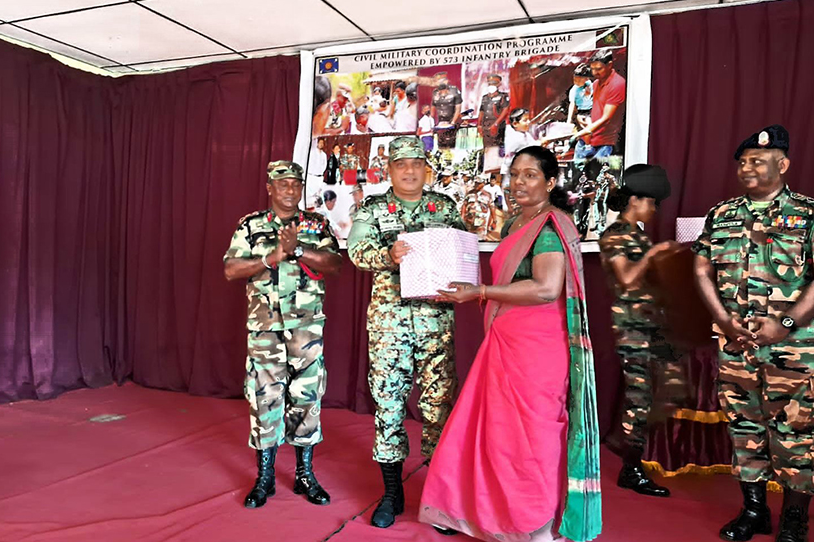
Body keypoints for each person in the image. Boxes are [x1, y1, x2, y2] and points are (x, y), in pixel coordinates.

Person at [419, 145, 601, 542]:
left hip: (538, 348)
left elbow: (545, 289)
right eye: (514, 174)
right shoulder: (515, 222)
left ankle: (533, 525)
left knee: (531, 436)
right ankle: (491, 515)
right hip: (506, 338)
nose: (518, 182)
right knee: (496, 432)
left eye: (530, 175)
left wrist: (480, 291)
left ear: (551, 182)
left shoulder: (550, 228)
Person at [693, 125, 814, 542]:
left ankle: (795, 519)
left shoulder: (808, 214)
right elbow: (701, 268)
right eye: (742, 162)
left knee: (796, 433)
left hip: (793, 350)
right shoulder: (721, 214)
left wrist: (785, 325)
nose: (746, 168)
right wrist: (723, 321)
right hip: (736, 344)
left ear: (782, 165)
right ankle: (754, 510)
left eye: (757, 161)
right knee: (744, 428)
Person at [347, 136, 465, 529]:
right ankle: (392, 493)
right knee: (389, 405)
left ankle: (438, 495)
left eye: (416, 163)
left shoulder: (445, 207)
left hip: (436, 324)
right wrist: (387, 255)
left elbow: (464, 250)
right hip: (390, 324)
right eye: (402, 165)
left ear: (425, 167)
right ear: (390, 170)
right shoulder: (374, 208)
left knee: (439, 408)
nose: (410, 170)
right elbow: (356, 250)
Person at [223, 161, 342, 509]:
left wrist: (300, 250)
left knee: (307, 397)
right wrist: (274, 256)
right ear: (270, 188)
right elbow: (231, 268)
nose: (290, 190)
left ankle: (305, 474)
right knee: (265, 398)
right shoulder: (251, 226)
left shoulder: (316, 224)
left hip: (306, 328)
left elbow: (334, 265)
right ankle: (265, 476)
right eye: (283, 184)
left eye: (295, 184)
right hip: (266, 329)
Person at [599, 164, 681, 498]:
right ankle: (631, 470)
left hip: (650, 327)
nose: (655, 209)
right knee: (639, 400)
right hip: (633, 331)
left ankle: (628, 449)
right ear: (635, 200)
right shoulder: (616, 234)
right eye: (652, 203)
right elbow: (628, 279)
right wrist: (654, 254)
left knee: (652, 397)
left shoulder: (637, 234)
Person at [569, 50, 626, 161]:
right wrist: (581, 118)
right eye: (593, 69)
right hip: (589, 139)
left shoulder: (617, 84)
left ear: (609, 65)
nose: (595, 73)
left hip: (605, 143)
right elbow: (591, 107)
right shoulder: (595, 84)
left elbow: (606, 118)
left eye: (599, 69)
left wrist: (581, 133)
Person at [478, 74, 511, 149]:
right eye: (490, 83)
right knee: (487, 146)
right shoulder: (485, 97)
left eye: (494, 83)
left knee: (497, 147)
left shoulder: (503, 96)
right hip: (486, 125)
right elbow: (481, 111)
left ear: (499, 84)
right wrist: (479, 124)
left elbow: (505, 110)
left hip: (498, 126)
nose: (491, 85)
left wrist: (496, 124)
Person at [431, 72, 463, 148]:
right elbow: (433, 106)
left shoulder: (454, 90)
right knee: (441, 145)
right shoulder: (436, 92)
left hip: (451, 121)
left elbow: (458, 108)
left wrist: (453, 122)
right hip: (440, 123)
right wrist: (431, 122)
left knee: (450, 144)